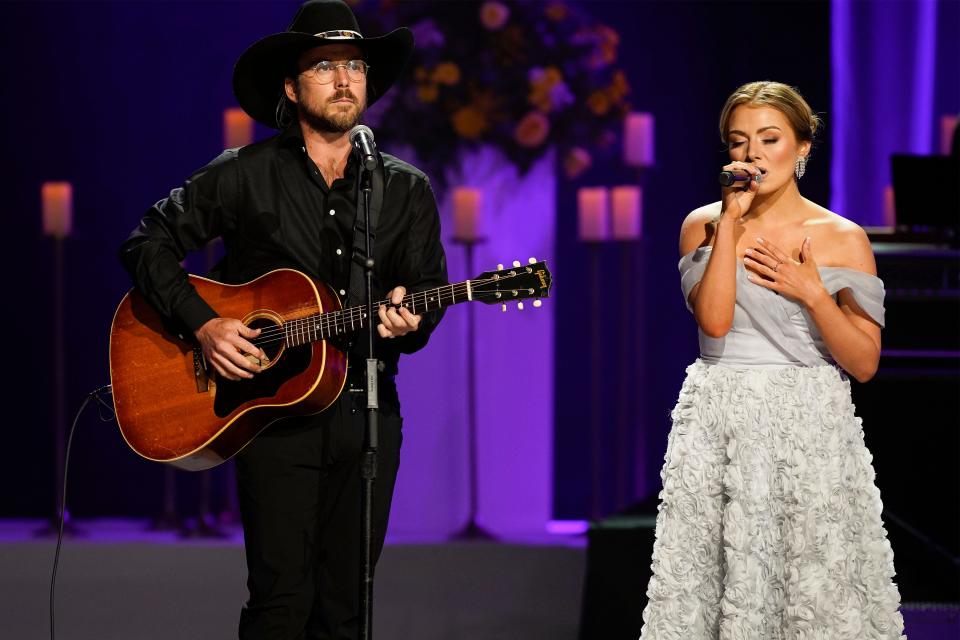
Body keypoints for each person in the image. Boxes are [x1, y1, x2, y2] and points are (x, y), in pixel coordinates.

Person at [119, 1, 447, 638]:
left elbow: (426, 295)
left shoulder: (405, 189)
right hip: (273, 417)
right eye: (325, 66)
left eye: (354, 64)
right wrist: (204, 324)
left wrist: (411, 321)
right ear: (293, 89)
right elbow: (145, 242)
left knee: (346, 609)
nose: (345, 78)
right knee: (279, 606)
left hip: (368, 414)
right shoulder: (245, 175)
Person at [639, 81, 905, 639]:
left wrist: (811, 294)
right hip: (721, 419)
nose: (752, 154)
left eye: (769, 138)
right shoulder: (703, 224)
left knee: (812, 590)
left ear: (802, 147)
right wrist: (731, 225)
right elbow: (713, 322)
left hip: (808, 422)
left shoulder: (842, 237)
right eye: (739, 142)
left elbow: (863, 362)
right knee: (721, 585)